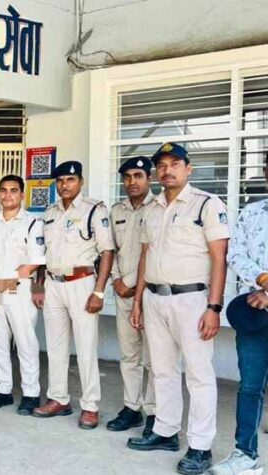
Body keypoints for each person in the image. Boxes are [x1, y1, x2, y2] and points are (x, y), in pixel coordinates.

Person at [127, 143, 229, 475]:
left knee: (199, 374)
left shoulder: (207, 204)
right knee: (162, 370)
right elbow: (145, 257)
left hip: (192, 300)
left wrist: (214, 307)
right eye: (162, 165)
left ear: (188, 168)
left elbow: (219, 259)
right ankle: (166, 431)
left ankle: (200, 446)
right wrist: (138, 301)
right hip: (154, 298)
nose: (167, 170)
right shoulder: (153, 208)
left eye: (174, 163)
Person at [33, 161, 114, 430]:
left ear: (81, 181)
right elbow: (43, 255)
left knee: (86, 347)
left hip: (82, 283)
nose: (64, 185)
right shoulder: (50, 212)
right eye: (60, 181)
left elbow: (107, 252)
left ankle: (90, 406)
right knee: (55, 346)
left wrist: (99, 291)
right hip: (53, 283)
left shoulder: (94, 209)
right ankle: (58, 399)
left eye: (70, 180)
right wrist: (39, 286)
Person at [208, 159, 268, 475]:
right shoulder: (251, 213)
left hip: (262, 299)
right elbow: (235, 254)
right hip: (255, 314)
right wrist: (263, 281)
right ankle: (246, 455)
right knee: (250, 386)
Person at [0, 175, 45, 415]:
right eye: (3, 190)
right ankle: (3, 390)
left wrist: (8, 280)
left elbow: (35, 261)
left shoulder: (32, 222)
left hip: (19, 289)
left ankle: (31, 393)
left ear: (22, 194)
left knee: (25, 342)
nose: (7, 195)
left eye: (13, 190)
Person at [106, 157, 156, 434]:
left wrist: (137, 286)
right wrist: (116, 280)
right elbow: (110, 250)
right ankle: (131, 408)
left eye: (138, 175)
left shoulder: (159, 207)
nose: (132, 182)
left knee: (155, 359)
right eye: (127, 177)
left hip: (151, 295)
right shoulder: (117, 210)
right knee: (129, 355)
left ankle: (155, 412)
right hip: (123, 292)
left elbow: (156, 253)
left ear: (149, 178)